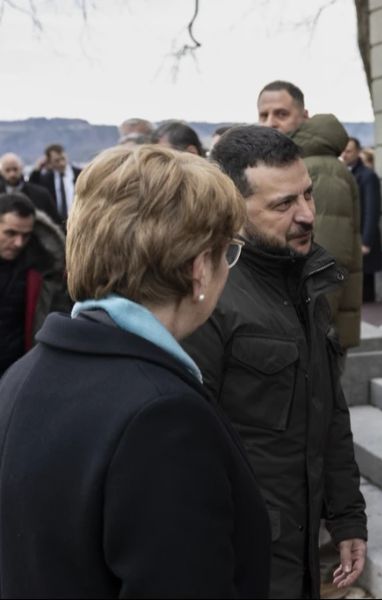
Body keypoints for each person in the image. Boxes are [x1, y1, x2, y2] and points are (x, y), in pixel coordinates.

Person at [0, 145, 270, 597]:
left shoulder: (22, 376)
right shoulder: (163, 418)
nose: (228, 269)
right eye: (228, 253)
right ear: (199, 268)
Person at [182, 125, 367, 599]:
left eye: (307, 194)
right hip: (242, 556)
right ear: (232, 208)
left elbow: (331, 412)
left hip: (302, 548)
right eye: (283, 205)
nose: (307, 215)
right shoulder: (207, 301)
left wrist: (347, 517)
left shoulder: (307, 280)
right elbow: (188, 448)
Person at [257, 80, 363, 351]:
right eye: (263, 115)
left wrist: (310, 326)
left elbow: (329, 258)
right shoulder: (292, 165)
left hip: (315, 332)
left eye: (281, 114)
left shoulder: (318, 170)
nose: (271, 123)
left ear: (304, 116)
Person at [0, 193, 69, 376]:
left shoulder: (45, 269)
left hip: (18, 370)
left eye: (26, 235)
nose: (18, 243)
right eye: (10, 233)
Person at [341, 136, 382, 302]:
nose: (345, 154)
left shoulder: (368, 176)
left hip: (362, 238)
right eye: (343, 150)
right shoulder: (343, 173)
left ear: (358, 152)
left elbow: (372, 210)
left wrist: (366, 242)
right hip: (348, 237)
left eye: (349, 151)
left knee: (365, 288)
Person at [28, 143, 82, 225]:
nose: (61, 163)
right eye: (57, 161)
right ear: (49, 162)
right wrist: (37, 169)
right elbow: (31, 188)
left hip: (78, 221)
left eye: (63, 159)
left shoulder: (79, 174)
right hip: (57, 224)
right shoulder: (46, 179)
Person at [0, 152, 61, 223]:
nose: (12, 174)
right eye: (7, 170)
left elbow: (56, 221)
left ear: (21, 168)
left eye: (15, 169)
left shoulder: (41, 194)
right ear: (1, 172)